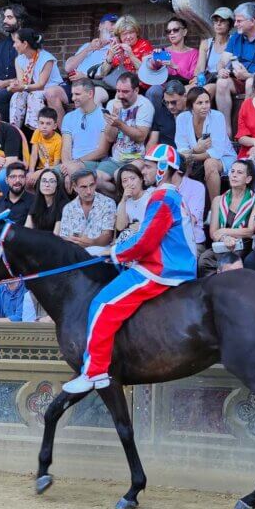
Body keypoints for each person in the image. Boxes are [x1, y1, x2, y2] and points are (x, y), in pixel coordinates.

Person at [63, 143, 196, 393]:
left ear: (164, 169)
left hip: (163, 269)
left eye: (148, 166)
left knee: (103, 305)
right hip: (168, 264)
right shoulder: (170, 195)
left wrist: (111, 252)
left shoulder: (162, 196)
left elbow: (145, 240)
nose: (143, 170)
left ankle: (95, 372)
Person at [97, 72, 154, 195]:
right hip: (116, 158)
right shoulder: (113, 104)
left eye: (125, 91)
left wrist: (119, 124)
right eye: (118, 91)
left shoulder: (144, 105)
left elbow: (141, 136)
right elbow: (109, 138)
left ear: (136, 90)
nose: (120, 95)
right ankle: (117, 199)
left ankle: (123, 203)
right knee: (96, 179)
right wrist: (115, 115)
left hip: (138, 158)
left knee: (120, 175)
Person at [175, 86, 236, 201]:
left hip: (224, 157)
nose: (204, 106)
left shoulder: (217, 116)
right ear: (191, 105)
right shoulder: (182, 118)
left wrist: (191, 156)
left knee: (210, 164)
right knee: (179, 164)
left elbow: (216, 152)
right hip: (195, 156)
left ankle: (215, 206)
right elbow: (181, 147)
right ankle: (182, 202)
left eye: (207, 102)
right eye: (199, 103)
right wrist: (195, 150)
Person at [198, 160, 255, 275]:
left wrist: (224, 231)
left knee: (232, 261)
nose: (234, 175)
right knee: (204, 259)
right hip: (222, 243)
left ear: (248, 179)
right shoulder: (218, 200)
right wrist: (224, 238)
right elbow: (213, 233)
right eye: (232, 171)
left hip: (242, 245)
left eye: (239, 172)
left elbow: (250, 231)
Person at [8, 28, 64, 131]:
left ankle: (37, 131)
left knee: (34, 96)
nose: (14, 45)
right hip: (31, 89)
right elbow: (22, 82)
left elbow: (41, 84)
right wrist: (15, 86)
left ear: (25, 44)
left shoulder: (46, 58)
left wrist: (23, 86)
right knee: (17, 96)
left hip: (51, 89)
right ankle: (14, 131)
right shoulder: (19, 59)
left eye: (16, 42)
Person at [59, 79, 109, 192]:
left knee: (76, 173)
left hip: (94, 162)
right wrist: (68, 166)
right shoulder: (68, 117)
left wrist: (75, 164)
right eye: (72, 94)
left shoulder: (104, 115)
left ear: (90, 94)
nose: (73, 98)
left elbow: (102, 151)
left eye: (77, 94)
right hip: (71, 164)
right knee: (40, 177)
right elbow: (66, 149)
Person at [63, 13, 118, 107]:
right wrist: (89, 48)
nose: (114, 27)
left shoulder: (115, 48)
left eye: (117, 25)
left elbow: (106, 75)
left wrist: (84, 76)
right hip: (75, 84)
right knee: (51, 92)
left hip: (97, 85)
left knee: (87, 96)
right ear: (100, 26)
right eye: (112, 23)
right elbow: (68, 68)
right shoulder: (86, 46)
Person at [194, 7, 234, 129]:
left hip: (224, 79)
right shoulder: (207, 43)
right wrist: (196, 79)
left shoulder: (234, 41)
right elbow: (200, 67)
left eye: (222, 21)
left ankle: (204, 128)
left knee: (205, 91)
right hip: (206, 78)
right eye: (216, 20)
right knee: (185, 91)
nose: (218, 23)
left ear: (230, 24)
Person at [145, 17, 198, 110]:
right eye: (169, 31)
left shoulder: (194, 53)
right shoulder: (164, 51)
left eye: (175, 30)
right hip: (165, 86)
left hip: (184, 85)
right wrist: (154, 61)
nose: (172, 33)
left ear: (184, 32)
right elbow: (152, 72)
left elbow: (193, 76)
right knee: (153, 91)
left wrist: (175, 66)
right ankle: (156, 123)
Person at [59, 168, 116, 248]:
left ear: (95, 184)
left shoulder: (108, 203)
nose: (89, 191)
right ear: (75, 187)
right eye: (84, 187)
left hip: (99, 252)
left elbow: (107, 236)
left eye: (91, 185)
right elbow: (64, 236)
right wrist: (71, 240)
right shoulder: (68, 208)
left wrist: (91, 242)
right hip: (74, 252)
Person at [97, 15, 153, 89]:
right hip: (116, 87)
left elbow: (147, 72)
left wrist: (131, 55)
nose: (128, 36)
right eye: (124, 33)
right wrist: (110, 55)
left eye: (131, 32)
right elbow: (103, 73)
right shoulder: (116, 46)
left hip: (139, 87)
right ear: (119, 35)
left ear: (137, 32)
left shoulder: (144, 45)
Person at [171, 158, 205, 256]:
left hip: (192, 241)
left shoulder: (196, 187)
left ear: (177, 170)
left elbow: (190, 221)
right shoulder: (156, 188)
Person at [26, 106, 62, 189]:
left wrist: (39, 173)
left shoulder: (58, 140)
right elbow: (34, 154)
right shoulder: (37, 132)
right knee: (27, 181)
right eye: (41, 123)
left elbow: (56, 165)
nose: (44, 126)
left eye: (48, 123)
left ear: (55, 126)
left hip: (53, 170)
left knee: (41, 182)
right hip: (40, 168)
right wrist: (31, 171)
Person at [115, 163, 152, 242]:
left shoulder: (152, 194)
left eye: (133, 178)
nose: (129, 183)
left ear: (141, 179)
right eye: (125, 181)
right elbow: (120, 227)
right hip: (133, 241)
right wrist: (123, 200)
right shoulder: (124, 202)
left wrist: (141, 226)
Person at [25, 168, 69, 234]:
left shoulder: (63, 205)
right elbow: (27, 230)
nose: (47, 185)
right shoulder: (36, 202)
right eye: (44, 181)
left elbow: (56, 236)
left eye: (51, 181)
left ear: (57, 185)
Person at [147, 80, 186, 149]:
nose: (170, 106)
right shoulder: (160, 112)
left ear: (185, 97)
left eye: (173, 102)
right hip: (164, 155)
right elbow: (152, 141)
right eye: (166, 102)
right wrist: (148, 158)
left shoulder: (193, 113)